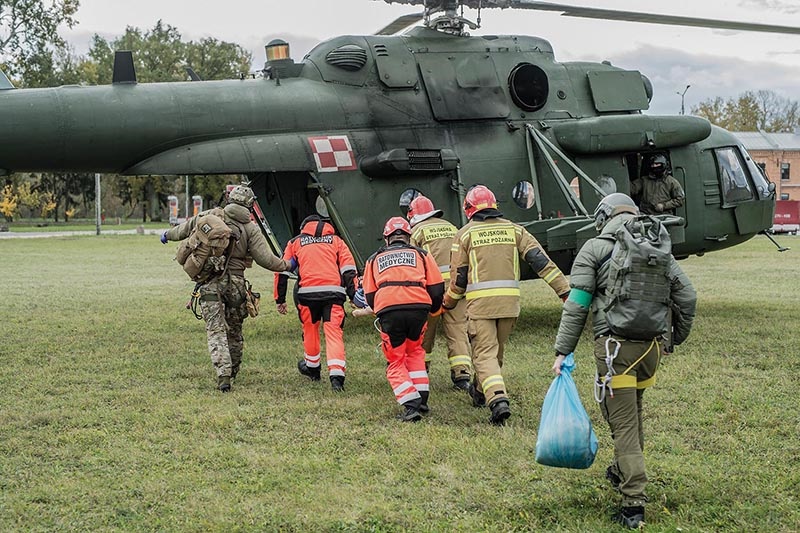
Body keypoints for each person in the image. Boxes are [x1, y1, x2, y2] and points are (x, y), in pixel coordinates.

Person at [552, 192, 696, 529]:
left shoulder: (594, 249)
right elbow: (687, 296)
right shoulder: (659, 248)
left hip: (615, 352)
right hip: (650, 352)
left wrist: (563, 350)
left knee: (623, 426)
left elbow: (577, 305)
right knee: (632, 415)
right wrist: (674, 337)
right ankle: (620, 471)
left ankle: (633, 502)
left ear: (603, 216)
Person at [442, 185, 570, 425]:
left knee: (484, 355)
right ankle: (480, 392)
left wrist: (448, 302)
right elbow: (541, 262)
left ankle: (498, 400)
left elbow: (458, 278)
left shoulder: (465, 234)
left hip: (481, 308)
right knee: (494, 353)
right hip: (510, 307)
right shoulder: (515, 230)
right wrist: (564, 292)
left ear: (468, 209)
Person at [161, 184, 293, 392]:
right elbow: (265, 259)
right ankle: (234, 369)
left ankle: (223, 374)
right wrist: (288, 265)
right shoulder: (250, 228)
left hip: (208, 283)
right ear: (249, 205)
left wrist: (167, 235)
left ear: (230, 199)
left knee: (216, 329)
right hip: (237, 285)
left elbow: (185, 230)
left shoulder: (210, 216)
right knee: (235, 330)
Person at [363, 216, 444, 422]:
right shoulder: (422, 254)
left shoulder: (374, 258)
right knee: (416, 351)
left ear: (387, 238)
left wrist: (379, 310)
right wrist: (433, 310)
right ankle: (422, 398)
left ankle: (410, 405)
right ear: (408, 236)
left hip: (389, 310)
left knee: (395, 360)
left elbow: (370, 293)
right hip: (419, 308)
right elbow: (436, 287)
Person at [274, 215, 358, 392]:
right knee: (334, 333)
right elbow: (349, 270)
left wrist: (279, 299)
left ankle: (312, 368)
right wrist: (353, 296)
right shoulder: (337, 241)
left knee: (310, 330)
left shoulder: (296, 243)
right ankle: (337, 378)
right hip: (334, 295)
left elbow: (283, 269)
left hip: (307, 295)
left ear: (304, 228)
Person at [406, 194, 472, 391]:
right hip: (456, 287)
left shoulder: (416, 232)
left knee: (425, 331)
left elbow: (413, 263)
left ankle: (421, 370)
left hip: (431, 290)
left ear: (413, 214)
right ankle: (462, 375)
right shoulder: (452, 227)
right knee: (458, 330)